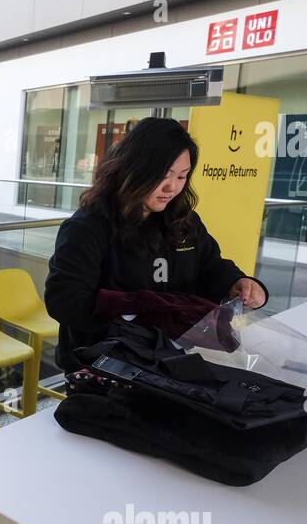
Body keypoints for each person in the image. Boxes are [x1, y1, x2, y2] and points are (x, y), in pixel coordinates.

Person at [45, 117, 267, 373]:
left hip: (170, 358)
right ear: (133, 169)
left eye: (182, 176)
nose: (171, 187)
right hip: (104, 364)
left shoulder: (183, 221)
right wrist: (142, 309)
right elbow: (64, 300)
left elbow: (210, 266)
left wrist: (238, 283)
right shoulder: (88, 227)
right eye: (163, 175)